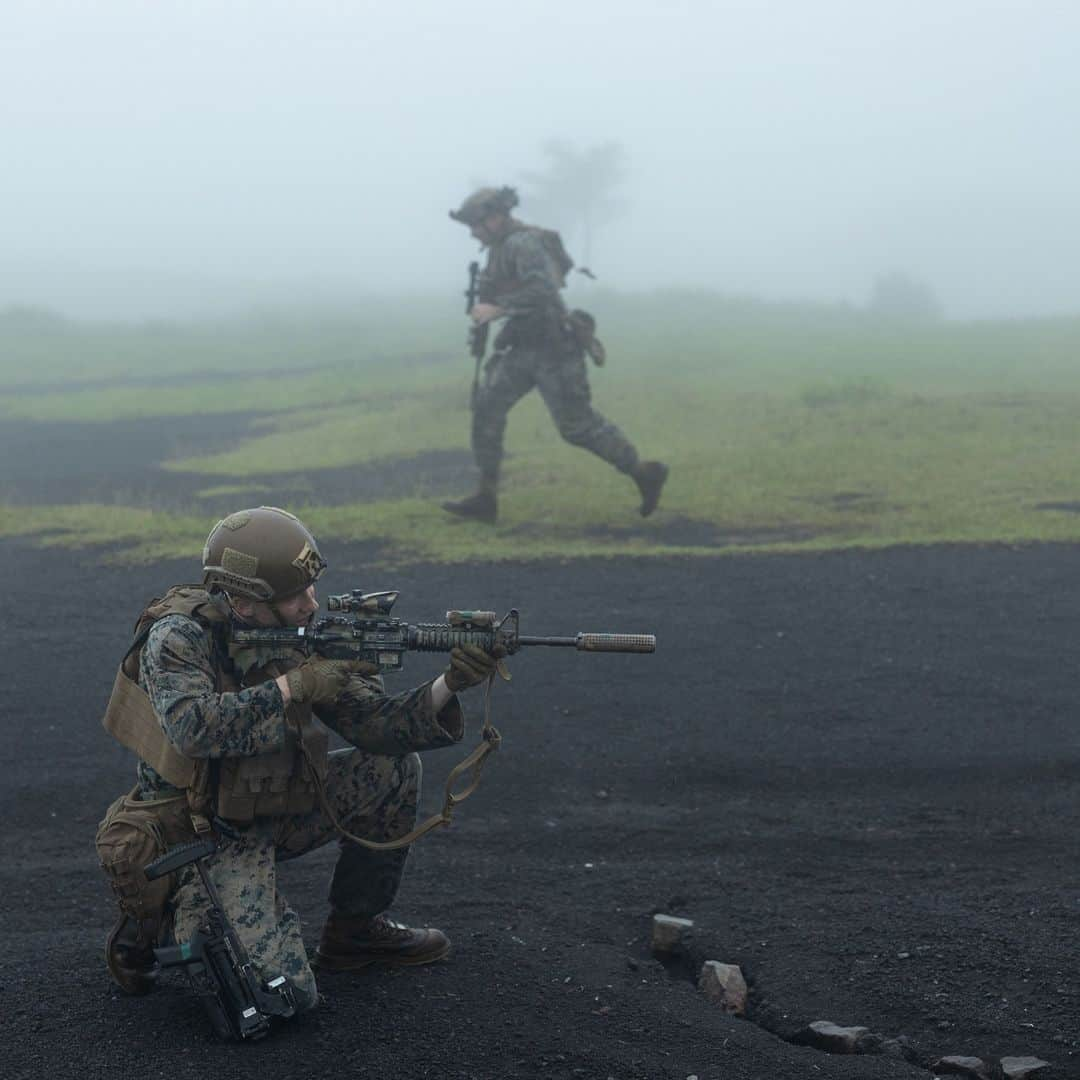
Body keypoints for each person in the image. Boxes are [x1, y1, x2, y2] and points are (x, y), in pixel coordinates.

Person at [97, 505, 505, 1015]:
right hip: (203, 834)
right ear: (245, 603)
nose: (312, 604)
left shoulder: (298, 635)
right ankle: (155, 917)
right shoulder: (178, 637)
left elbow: (373, 726)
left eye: (312, 589)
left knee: (393, 768)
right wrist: (295, 686)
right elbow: (192, 729)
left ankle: (354, 932)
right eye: (296, 595)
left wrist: (452, 683)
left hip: (275, 802)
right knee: (285, 998)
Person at [442, 185, 669, 524]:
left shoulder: (523, 243)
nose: (473, 232)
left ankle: (643, 472)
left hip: (554, 349)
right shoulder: (498, 248)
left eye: (476, 224)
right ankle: (486, 496)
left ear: (496, 217)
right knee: (487, 410)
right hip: (521, 347)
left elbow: (543, 290)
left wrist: (498, 309)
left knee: (576, 426)